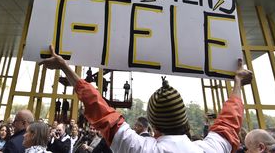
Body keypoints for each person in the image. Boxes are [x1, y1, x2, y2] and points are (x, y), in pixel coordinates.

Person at [39, 45, 253, 152]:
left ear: (154, 124)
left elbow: (99, 108)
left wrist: (64, 67)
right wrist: (237, 82)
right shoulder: (211, 149)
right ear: (184, 120)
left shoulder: (140, 148)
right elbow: (229, 122)